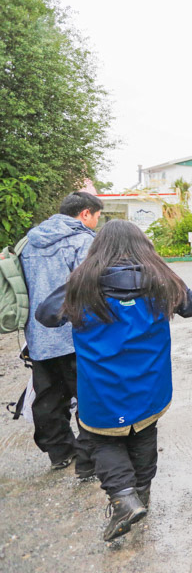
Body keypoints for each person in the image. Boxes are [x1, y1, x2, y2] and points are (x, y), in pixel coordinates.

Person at [35, 220, 192, 541]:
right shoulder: (160, 278)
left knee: (104, 440)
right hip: (150, 382)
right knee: (144, 431)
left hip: (101, 386)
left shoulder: (82, 282)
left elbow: (46, 315)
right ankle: (141, 494)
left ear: (99, 247)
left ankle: (125, 498)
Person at [20, 191, 102, 477]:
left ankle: (58, 452)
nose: (95, 223)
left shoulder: (29, 241)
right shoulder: (83, 241)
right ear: (85, 214)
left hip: (39, 334)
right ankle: (88, 458)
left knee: (48, 396)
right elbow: (90, 289)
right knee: (87, 396)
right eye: (96, 217)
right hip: (75, 333)